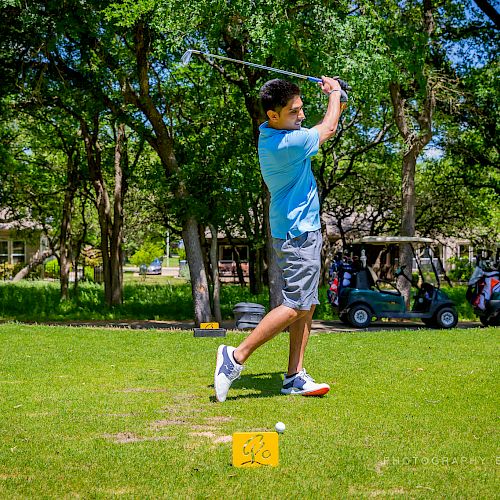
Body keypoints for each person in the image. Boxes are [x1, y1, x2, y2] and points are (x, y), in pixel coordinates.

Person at [214, 76, 345, 402]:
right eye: (294, 111)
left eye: (301, 109)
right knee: (294, 306)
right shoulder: (284, 144)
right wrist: (336, 94)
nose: (301, 116)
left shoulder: (279, 133)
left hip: (302, 232)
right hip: (297, 235)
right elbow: (327, 129)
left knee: (307, 305)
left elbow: (324, 122)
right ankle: (235, 357)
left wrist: (337, 99)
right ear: (273, 115)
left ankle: (294, 377)